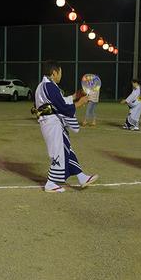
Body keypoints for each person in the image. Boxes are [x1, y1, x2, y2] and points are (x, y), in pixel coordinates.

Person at [34, 60, 99, 193]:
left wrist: (75, 96)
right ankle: (50, 183)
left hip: (53, 122)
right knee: (58, 152)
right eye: (60, 72)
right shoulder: (48, 86)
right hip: (51, 123)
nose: (61, 75)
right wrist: (80, 102)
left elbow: (59, 101)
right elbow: (62, 107)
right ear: (54, 73)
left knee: (67, 149)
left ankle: (82, 178)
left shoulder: (47, 86)